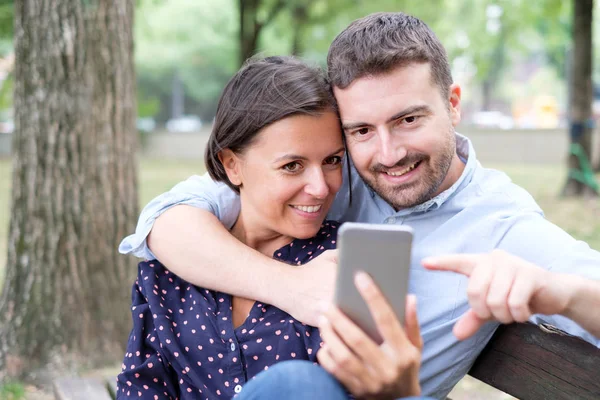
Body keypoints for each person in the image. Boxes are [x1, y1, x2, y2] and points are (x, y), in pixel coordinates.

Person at [120, 12, 600, 399]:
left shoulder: (503, 227)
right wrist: (292, 288)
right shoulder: (328, 173)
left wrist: (558, 292)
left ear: (453, 103)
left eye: (408, 119)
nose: (388, 155)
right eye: (362, 130)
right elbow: (166, 221)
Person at [116, 56, 426, 400]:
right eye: (292, 166)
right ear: (232, 165)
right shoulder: (170, 272)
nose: (321, 188)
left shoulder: (349, 264)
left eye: (332, 161)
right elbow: (142, 387)